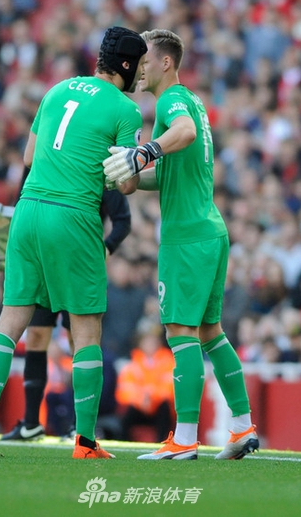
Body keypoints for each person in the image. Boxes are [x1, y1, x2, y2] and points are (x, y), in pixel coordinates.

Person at [0, 26, 147, 459]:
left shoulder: (55, 90)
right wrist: (141, 164)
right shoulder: (126, 109)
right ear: (125, 65)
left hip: (28, 210)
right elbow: (124, 184)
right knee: (86, 330)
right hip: (73, 216)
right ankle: (85, 442)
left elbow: (28, 160)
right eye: (140, 66)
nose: (142, 76)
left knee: (10, 323)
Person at [103, 28, 259, 460]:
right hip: (210, 229)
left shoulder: (172, 102)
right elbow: (172, 171)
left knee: (179, 332)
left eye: (146, 60)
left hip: (187, 236)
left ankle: (185, 437)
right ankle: (242, 427)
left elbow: (184, 133)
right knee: (211, 331)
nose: (139, 67)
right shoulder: (190, 100)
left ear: (166, 62)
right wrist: (127, 174)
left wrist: (145, 150)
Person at [1, 188, 131, 442]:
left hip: (78, 267)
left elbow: (123, 220)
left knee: (79, 342)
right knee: (37, 335)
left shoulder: (98, 169)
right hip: (44, 264)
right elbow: (21, 203)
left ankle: (78, 427)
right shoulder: (43, 163)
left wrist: (106, 247)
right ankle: (30, 423)